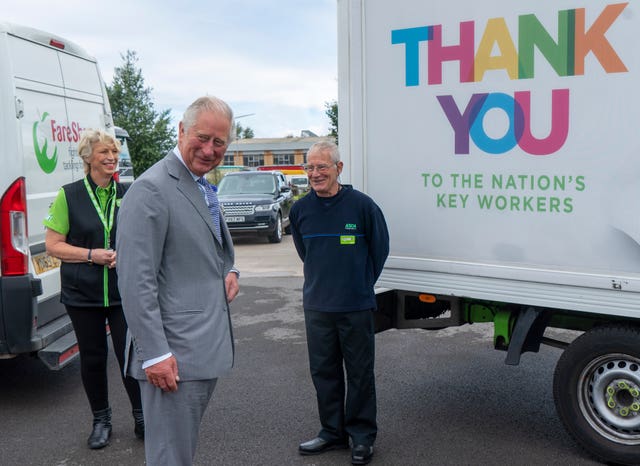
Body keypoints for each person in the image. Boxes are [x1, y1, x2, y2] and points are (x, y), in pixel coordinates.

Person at [116, 95, 239, 466]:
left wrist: (228, 271)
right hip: (173, 357)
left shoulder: (198, 184)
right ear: (181, 130)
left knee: (179, 453)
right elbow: (136, 281)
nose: (209, 149)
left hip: (199, 350)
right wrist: (154, 353)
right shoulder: (152, 188)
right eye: (202, 137)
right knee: (171, 457)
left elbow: (209, 249)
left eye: (219, 142)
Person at [290, 141, 389, 465]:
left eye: (322, 167)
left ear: (339, 168)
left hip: (356, 307)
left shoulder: (362, 206)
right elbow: (307, 254)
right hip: (318, 306)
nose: (315, 173)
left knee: (360, 374)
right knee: (324, 372)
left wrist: (359, 284)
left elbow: (379, 250)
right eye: (310, 167)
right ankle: (332, 433)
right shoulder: (301, 210)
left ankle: (361, 437)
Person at [43, 129, 144, 449]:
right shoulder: (68, 195)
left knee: (129, 356)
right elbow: (53, 246)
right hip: (82, 293)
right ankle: (101, 420)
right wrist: (91, 255)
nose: (112, 158)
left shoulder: (129, 193)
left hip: (122, 291)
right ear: (88, 158)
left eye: (114, 152)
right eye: (104, 152)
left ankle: (142, 416)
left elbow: (143, 239)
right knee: (93, 358)